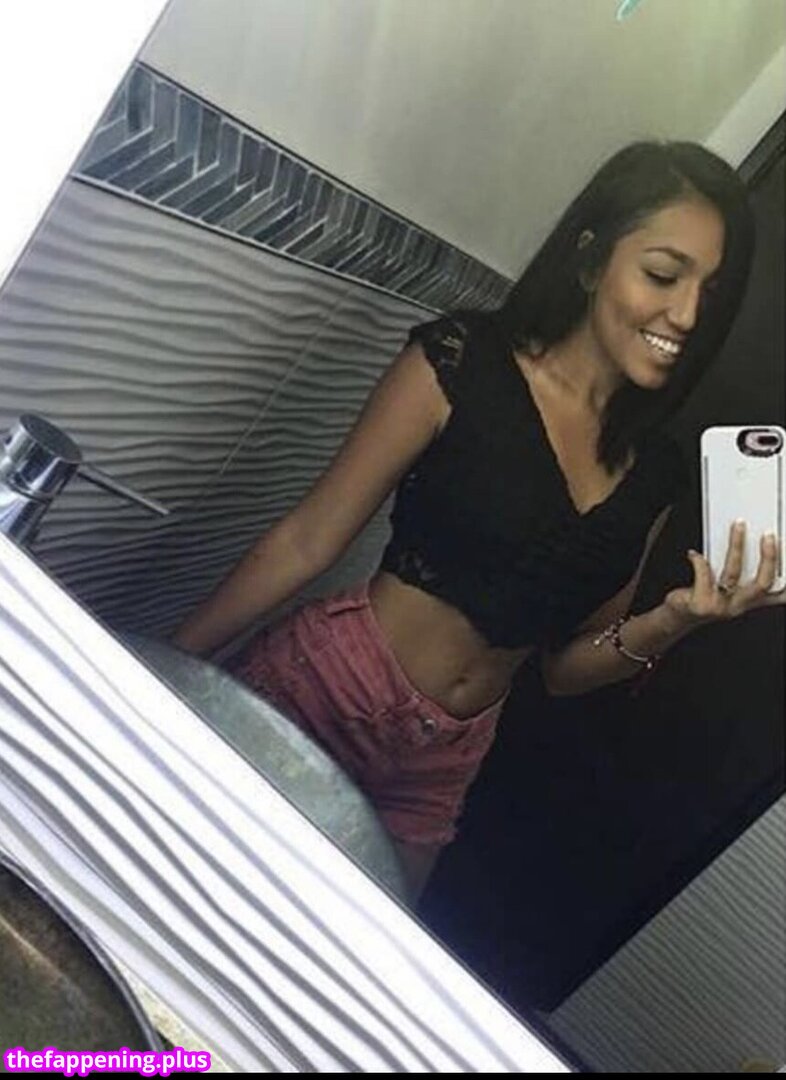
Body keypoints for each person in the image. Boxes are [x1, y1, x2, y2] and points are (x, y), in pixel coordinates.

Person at [173, 141, 784, 902]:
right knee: (183, 885)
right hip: (329, 688)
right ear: (591, 261)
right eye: (663, 275)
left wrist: (678, 620)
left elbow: (565, 669)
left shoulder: (651, 469)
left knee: (348, 950)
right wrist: (167, 665)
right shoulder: (463, 361)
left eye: (710, 294)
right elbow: (306, 541)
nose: (688, 315)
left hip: (445, 762)